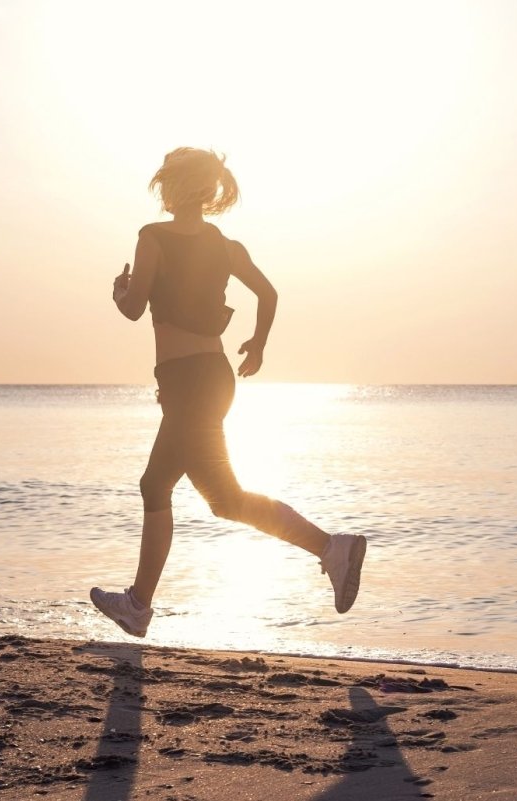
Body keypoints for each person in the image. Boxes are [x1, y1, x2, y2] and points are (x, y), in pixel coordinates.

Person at [89, 147, 367, 638]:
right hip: (210, 377)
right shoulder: (226, 246)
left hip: (190, 381)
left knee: (210, 496)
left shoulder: (151, 238)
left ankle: (331, 547)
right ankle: (138, 604)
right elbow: (268, 293)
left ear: (172, 188)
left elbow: (133, 309)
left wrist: (119, 292)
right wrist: (257, 345)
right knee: (178, 490)